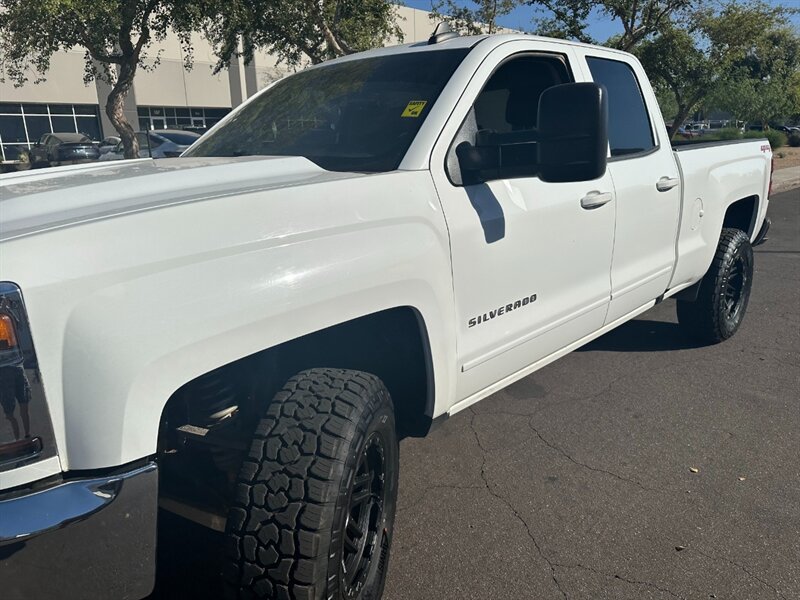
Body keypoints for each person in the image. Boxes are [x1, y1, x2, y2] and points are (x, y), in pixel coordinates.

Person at [0, 364, 31, 440]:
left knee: (9, 412)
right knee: (23, 406)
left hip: (4, 368)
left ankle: (17, 439)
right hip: (18, 366)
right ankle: (27, 435)